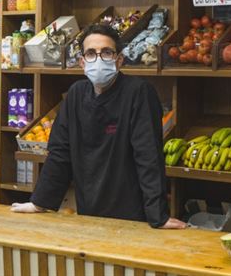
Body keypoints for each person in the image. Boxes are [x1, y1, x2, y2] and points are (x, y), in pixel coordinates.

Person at [11, 24, 186, 229]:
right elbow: (60, 153)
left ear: (119, 60)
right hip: (89, 209)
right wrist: (40, 202)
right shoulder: (76, 94)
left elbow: (148, 156)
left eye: (107, 52)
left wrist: (158, 216)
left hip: (132, 213)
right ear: (82, 63)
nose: (99, 59)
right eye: (91, 53)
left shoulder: (139, 93)